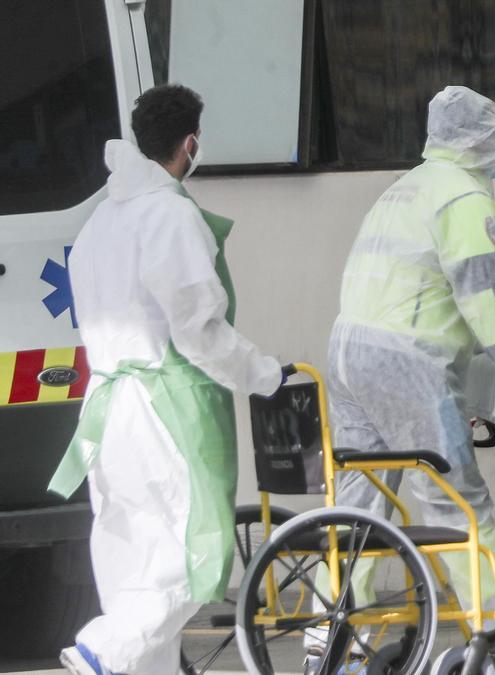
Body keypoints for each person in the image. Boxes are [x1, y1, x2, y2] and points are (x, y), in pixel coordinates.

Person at [309, 85, 495, 668]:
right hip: (405, 362)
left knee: (360, 498)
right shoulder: (463, 196)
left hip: (347, 351)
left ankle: (332, 639)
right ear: (481, 142)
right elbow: (488, 306)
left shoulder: (403, 188)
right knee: (456, 495)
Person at [48, 84, 283, 675]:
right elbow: (198, 330)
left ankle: (131, 661)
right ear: (190, 142)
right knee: (188, 555)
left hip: (106, 412)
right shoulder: (171, 216)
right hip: (166, 411)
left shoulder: (103, 218)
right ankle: (105, 649)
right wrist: (263, 374)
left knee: (130, 562)